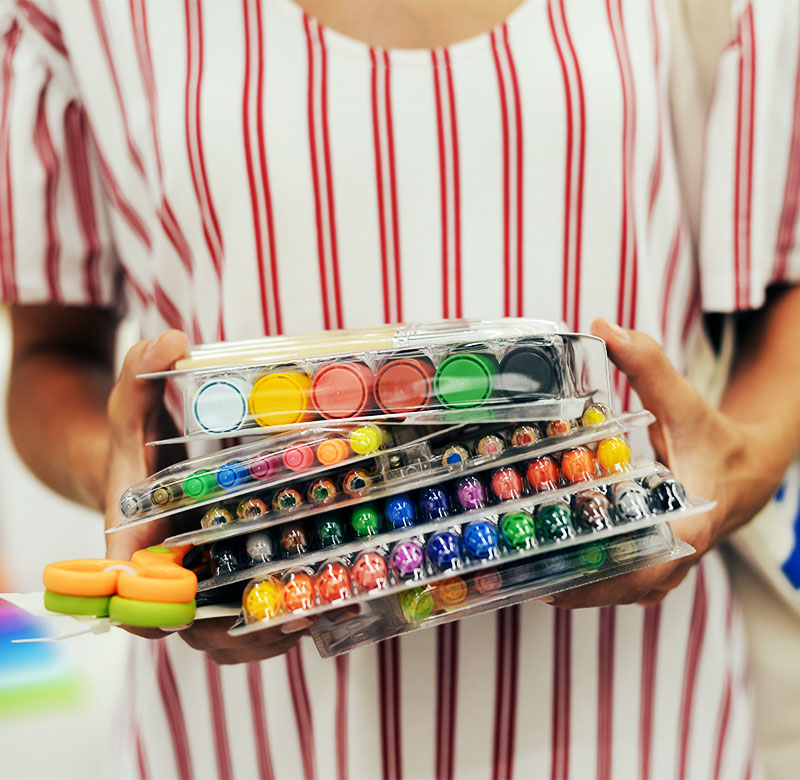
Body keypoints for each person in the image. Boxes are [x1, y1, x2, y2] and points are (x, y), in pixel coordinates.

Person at [2, 0, 800, 777]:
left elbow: (787, 284)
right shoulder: (76, 13)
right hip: (241, 732)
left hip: (639, 722)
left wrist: (731, 471)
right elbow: (50, 353)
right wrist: (126, 476)